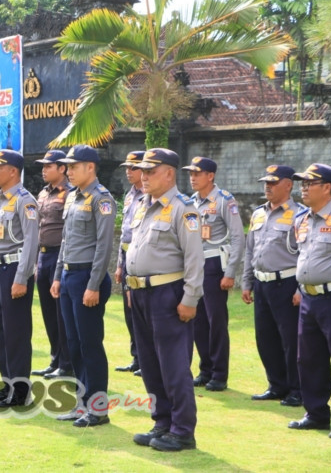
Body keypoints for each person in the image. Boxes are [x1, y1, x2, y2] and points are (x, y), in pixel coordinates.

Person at [126, 148, 203, 452]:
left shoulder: (184, 209)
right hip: (140, 292)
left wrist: (190, 298)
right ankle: (162, 422)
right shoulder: (143, 205)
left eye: (150, 171)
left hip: (167, 294)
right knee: (149, 363)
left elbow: (194, 258)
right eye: (142, 171)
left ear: (169, 173)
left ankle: (182, 430)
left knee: (173, 364)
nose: (143, 176)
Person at [50, 145, 116, 427]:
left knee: (90, 344)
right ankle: (82, 403)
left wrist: (94, 284)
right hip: (68, 276)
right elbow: (65, 240)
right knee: (73, 344)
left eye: (74, 166)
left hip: (88, 277)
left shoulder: (102, 199)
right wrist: (57, 275)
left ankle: (98, 409)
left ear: (90, 167)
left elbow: (104, 245)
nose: (69, 171)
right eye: (67, 166)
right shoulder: (73, 197)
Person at [0, 149, 39, 407]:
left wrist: (21, 277)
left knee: (16, 332)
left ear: (13, 171)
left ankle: (21, 391)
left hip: (13, 271)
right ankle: (7, 384)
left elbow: (31, 242)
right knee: (0, 331)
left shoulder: (25, 201)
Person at [241, 165, 303, 406]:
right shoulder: (258, 213)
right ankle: (276, 385)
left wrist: (299, 288)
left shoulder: (300, 215)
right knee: (265, 338)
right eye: (266, 182)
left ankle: (297, 389)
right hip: (261, 283)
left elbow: (306, 254)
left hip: (286, 283)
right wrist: (246, 281)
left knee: (290, 339)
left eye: (273, 182)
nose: (268, 186)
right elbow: (250, 250)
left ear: (288, 185)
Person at [182, 156, 245, 392]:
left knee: (215, 321)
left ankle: (219, 374)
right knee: (197, 321)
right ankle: (205, 369)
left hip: (214, 265)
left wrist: (230, 272)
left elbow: (238, 237)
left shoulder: (224, 200)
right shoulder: (191, 202)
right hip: (194, 266)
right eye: (191, 173)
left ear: (210, 176)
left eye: (197, 173)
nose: (193, 177)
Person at [288, 163, 331, 439]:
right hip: (308, 298)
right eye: (302, 183)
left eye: (309, 183)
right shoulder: (302, 219)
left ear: (327, 187)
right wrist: (300, 287)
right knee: (309, 359)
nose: (303, 188)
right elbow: (304, 257)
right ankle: (316, 414)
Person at [32, 149, 74, 380]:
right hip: (43, 256)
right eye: (43, 166)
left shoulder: (70, 193)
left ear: (62, 168)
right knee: (48, 312)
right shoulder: (43, 193)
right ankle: (55, 359)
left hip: (60, 255)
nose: (43, 170)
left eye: (48, 166)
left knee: (61, 313)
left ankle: (67, 364)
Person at [115, 151, 146, 375]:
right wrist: (119, 264)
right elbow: (124, 233)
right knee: (129, 311)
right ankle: (137, 357)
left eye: (133, 167)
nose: (129, 171)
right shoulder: (130, 195)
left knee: (142, 310)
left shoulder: (149, 195)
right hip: (127, 258)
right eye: (127, 167)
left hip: (142, 259)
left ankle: (147, 359)